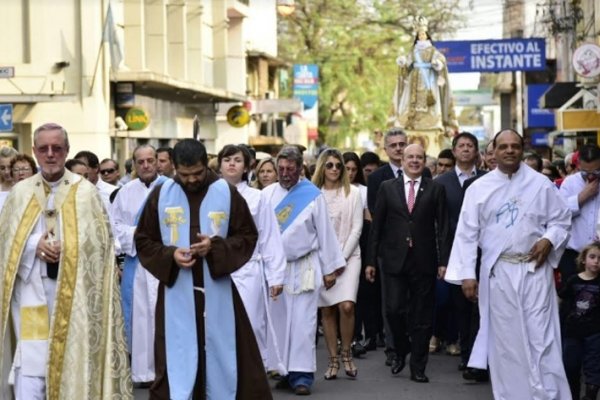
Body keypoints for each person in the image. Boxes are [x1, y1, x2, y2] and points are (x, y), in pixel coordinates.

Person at [0, 123, 131, 398]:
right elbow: (5, 244)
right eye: (44, 149)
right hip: (31, 295)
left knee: (73, 372)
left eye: (56, 148)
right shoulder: (20, 193)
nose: (50, 154)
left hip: (74, 300)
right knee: (31, 370)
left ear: (66, 151)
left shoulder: (86, 193)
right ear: (34, 152)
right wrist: (35, 246)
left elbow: (100, 250)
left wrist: (68, 248)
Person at [134, 139, 270, 399]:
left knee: (229, 360)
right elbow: (143, 240)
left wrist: (215, 248)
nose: (192, 180)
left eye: (198, 173)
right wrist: (170, 254)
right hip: (176, 293)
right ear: (174, 167)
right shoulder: (162, 194)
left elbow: (247, 236)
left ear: (206, 164)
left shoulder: (225, 192)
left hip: (218, 293)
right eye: (184, 175)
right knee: (177, 360)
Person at [445, 129, 572, 399]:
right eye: (503, 147)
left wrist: (549, 239)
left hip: (535, 271)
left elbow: (561, 220)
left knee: (541, 336)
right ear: (493, 152)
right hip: (499, 274)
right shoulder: (479, 188)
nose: (510, 151)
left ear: (522, 148)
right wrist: (467, 275)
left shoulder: (541, 184)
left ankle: (547, 394)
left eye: (515, 146)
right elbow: (467, 233)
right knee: (506, 342)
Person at [262, 145, 345, 395]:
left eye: (290, 169)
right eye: (281, 169)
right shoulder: (265, 195)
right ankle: (283, 370)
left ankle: (302, 376)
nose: (285, 173)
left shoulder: (312, 195)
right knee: (278, 322)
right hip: (275, 269)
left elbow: (325, 233)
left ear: (300, 169)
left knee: (303, 323)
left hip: (304, 267)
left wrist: (330, 269)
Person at [366, 143, 450, 383]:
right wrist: (371, 260)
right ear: (402, 160)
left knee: (422, 316)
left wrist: (444, 261)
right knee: (393, 310)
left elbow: (443, 228)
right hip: (393, 260)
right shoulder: (386, 188)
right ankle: (401, 349)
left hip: (424, 261)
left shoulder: (435, 189)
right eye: (410, 157)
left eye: (419, 157)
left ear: (424, 161)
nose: (414, 161)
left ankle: (418, 366)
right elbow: (377, 227)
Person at [217, 144, 286, 369]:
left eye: (237, 160)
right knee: (220, 324)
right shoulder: (210, 195)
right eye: (227, 160)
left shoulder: (258, 197)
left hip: (249, 268)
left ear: (246, 166)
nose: (232, 164)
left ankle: (252, 372)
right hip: (217, 269)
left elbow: (269, 236)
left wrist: (275, 275)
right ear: (219, 165)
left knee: (252, 322)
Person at [111, 144, 165, 385]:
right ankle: (143, 372)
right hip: (139, 263)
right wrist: (142, 234)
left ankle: (166, 372)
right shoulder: (125, 192)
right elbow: (115, 227)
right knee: (141, 318)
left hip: (164, 263)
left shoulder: (171, 189)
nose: (146, 165)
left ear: (158, 162)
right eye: (140, 161)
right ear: (134, 164)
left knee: (164, 317)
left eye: (150, 160)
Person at [434, 132, 486, 370]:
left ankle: (480, 357)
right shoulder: (440, 183)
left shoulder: (487, 181)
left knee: (482, 309)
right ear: (454, 151)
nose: (466, 149)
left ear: (476, 152)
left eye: (470, 145)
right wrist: (442, 259)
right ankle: (467, 357)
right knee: (460, 308)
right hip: (454, 254)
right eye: (461, 145)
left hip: (484, 253)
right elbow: (438, 225)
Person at [312, 149, 363, 380]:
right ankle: (333, 361)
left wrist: (339, 261)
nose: (334, 169)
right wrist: (327, 264)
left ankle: (346, 353)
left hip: (349, 257)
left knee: (347, 306)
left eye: (338, 165)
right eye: (329, 165)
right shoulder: (314, 195)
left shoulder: (353, 193)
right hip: (322, 259)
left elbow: (357, 229)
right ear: (321, 167)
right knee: (327, 309)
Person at [392, 17, 458, 143]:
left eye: (423, 34)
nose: (421, 36)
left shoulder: (432, 50)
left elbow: (440, 59)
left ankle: (432, 123)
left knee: (431, 102)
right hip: (414, 80)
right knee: (411, 102)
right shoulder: (413, 50)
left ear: (426, 35)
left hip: (429, 79)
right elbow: (408, 60)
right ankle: (411, 122)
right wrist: (403, 61)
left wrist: (437, 63)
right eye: (419, 34)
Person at [560, 242, 600, 400]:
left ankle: (590, 396)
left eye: (599, 258)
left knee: (594, 368)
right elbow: (561, 299)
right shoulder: (573, 281)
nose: (596, 261)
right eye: (592, 257)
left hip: (595, 334)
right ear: (583, 260)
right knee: (571, 367)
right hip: (573, 332)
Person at [559, 144, 600, 285]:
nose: (590, 176)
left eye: (595, 172)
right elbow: (559, 213)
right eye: (585, 172)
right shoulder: (570, 183)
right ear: (578, 166)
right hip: (573, 256)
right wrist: (583, 196)